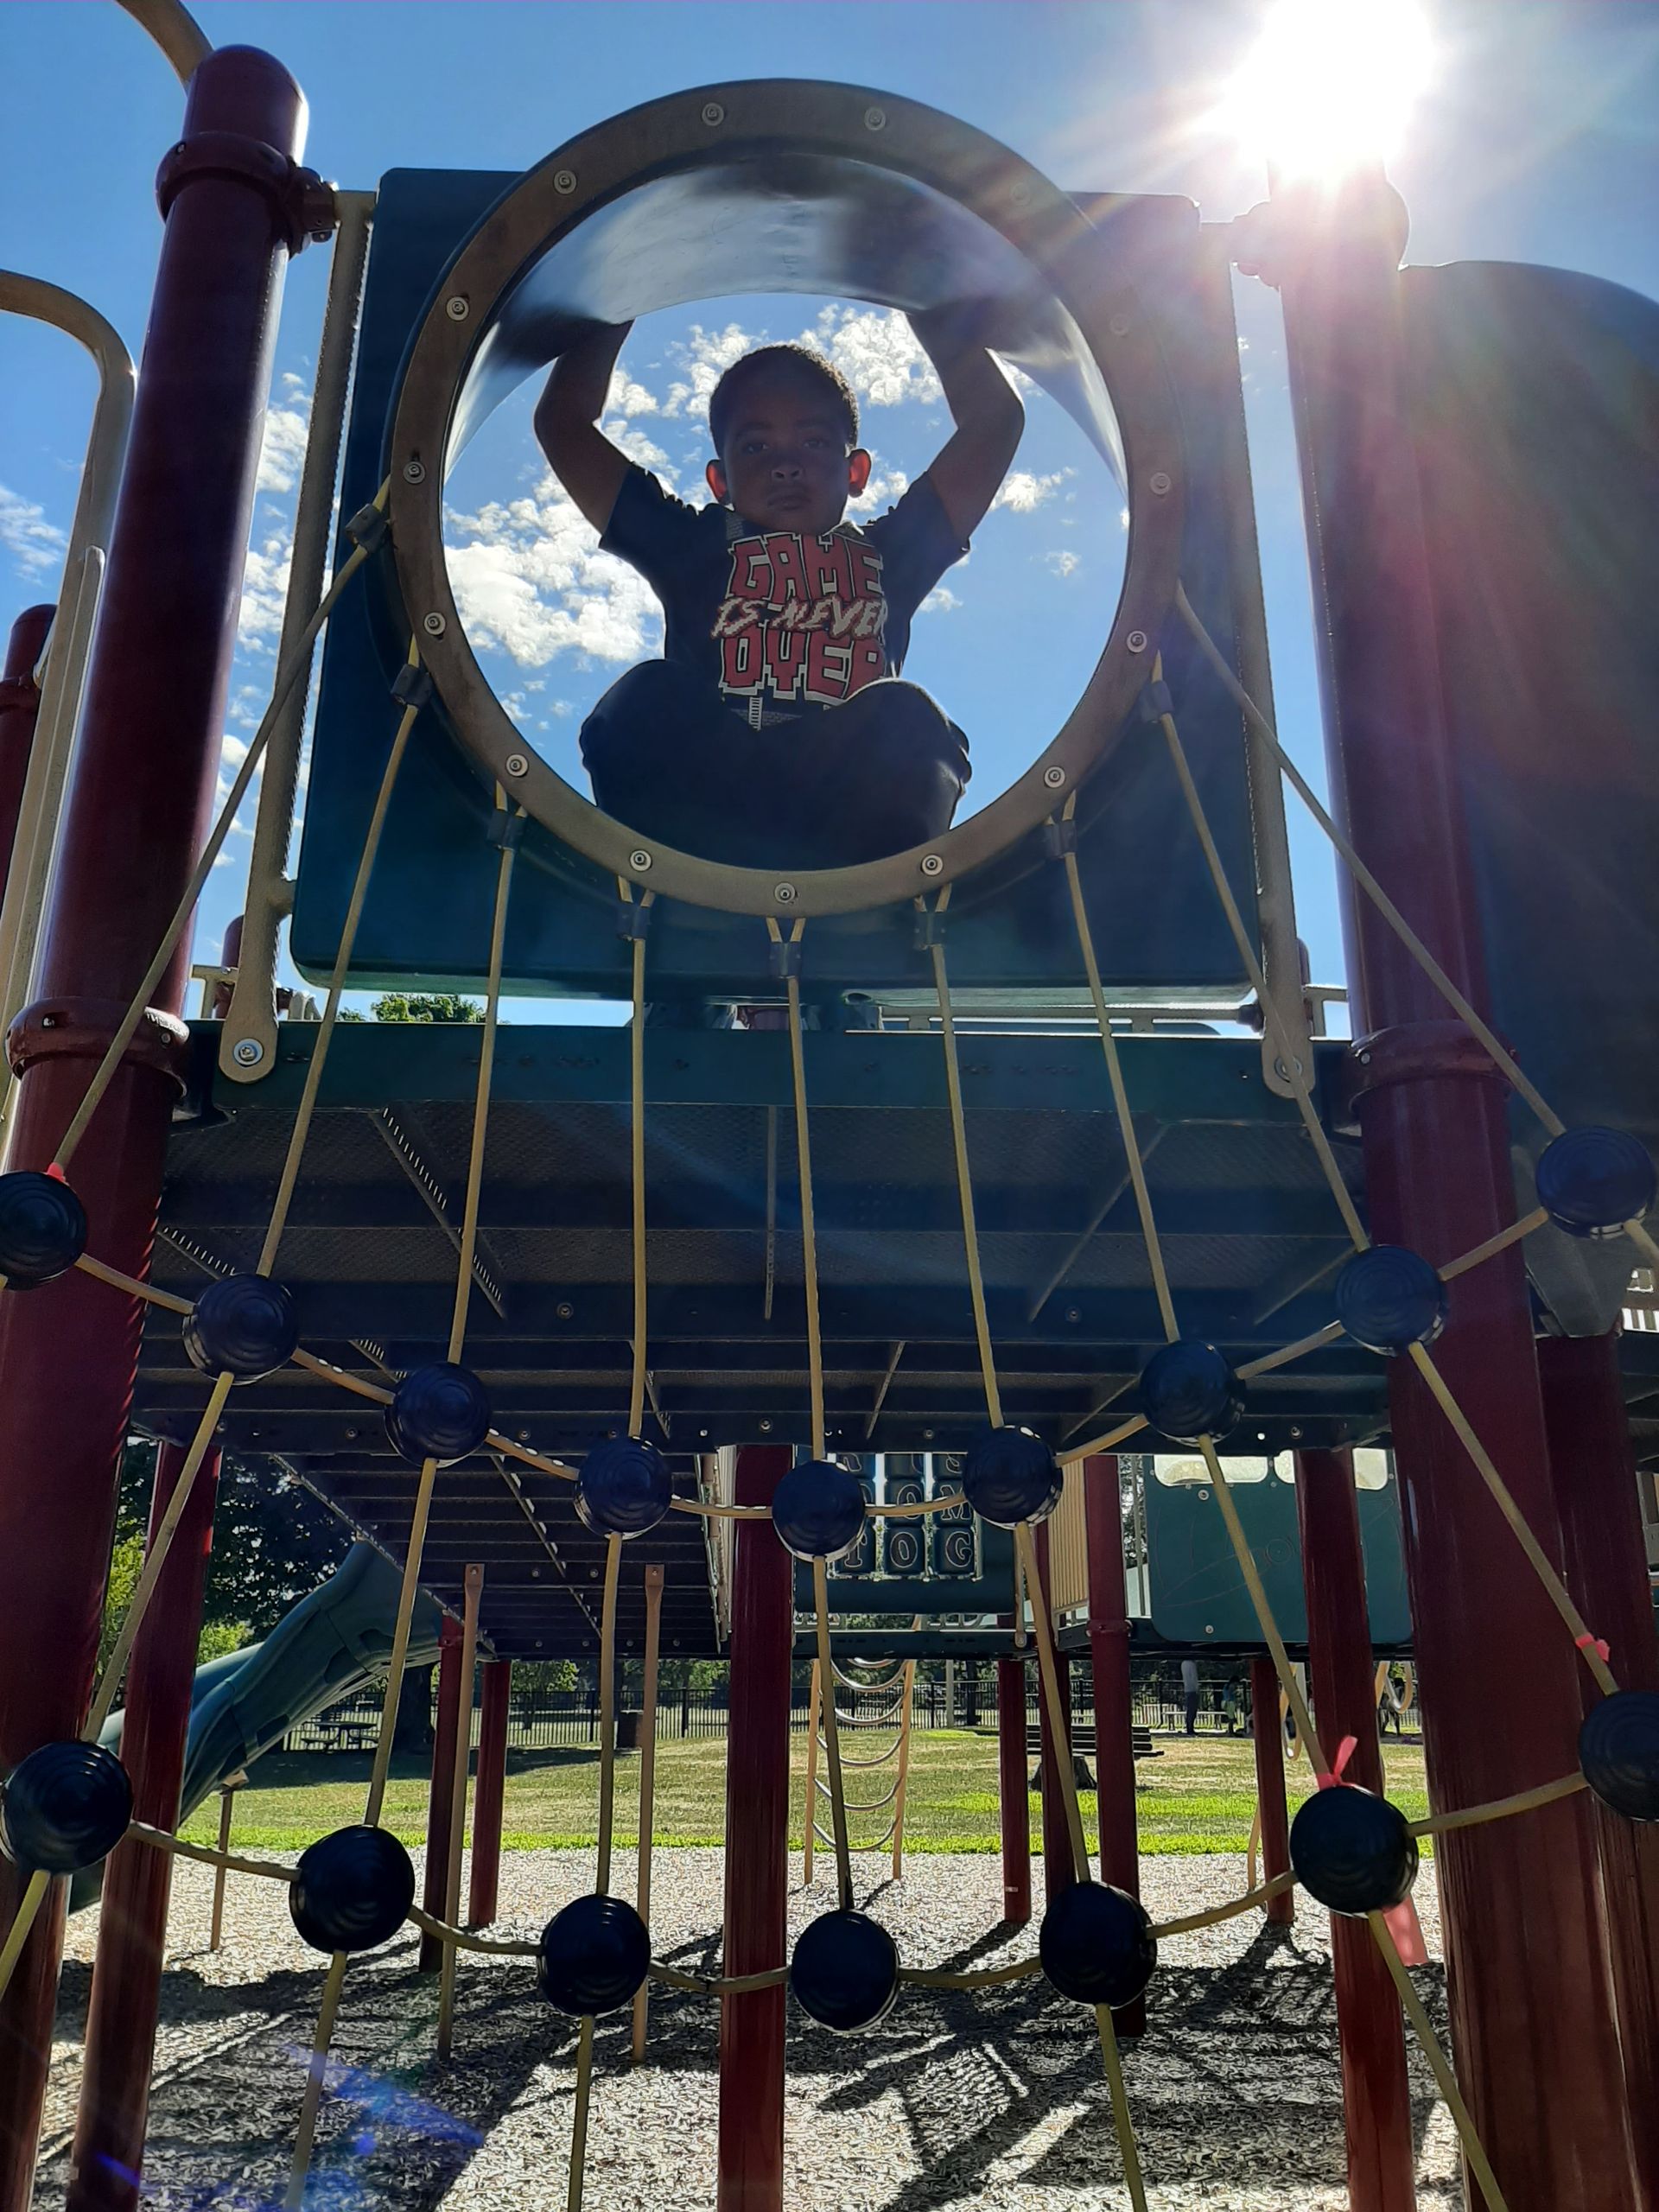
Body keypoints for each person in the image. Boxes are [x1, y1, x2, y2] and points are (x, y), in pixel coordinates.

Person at [533, 313, 1023, 869]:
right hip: (708, 805)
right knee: (645, 694)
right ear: (720, 482)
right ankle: (670, 880)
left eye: (814, 441)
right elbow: (564, 423)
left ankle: (877, 895)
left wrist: (923, 297)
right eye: (756, 448)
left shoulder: (892, 554)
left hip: (850, 815)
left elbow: (996, 420)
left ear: (855, 472)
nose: (787, 465)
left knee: (907, 714)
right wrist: (618, 291)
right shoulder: (690, 545)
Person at [1181, 1655, 1200, 1736]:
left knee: (1189, 1711)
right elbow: (1194, 1677)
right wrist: (1197, 1688)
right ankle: (1190, 1729)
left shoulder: (1183, 1663)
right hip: (1193, 1689)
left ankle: (1189, 1728)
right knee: (1192, 1711)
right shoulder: (1192, 1664)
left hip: (1187, 1688)